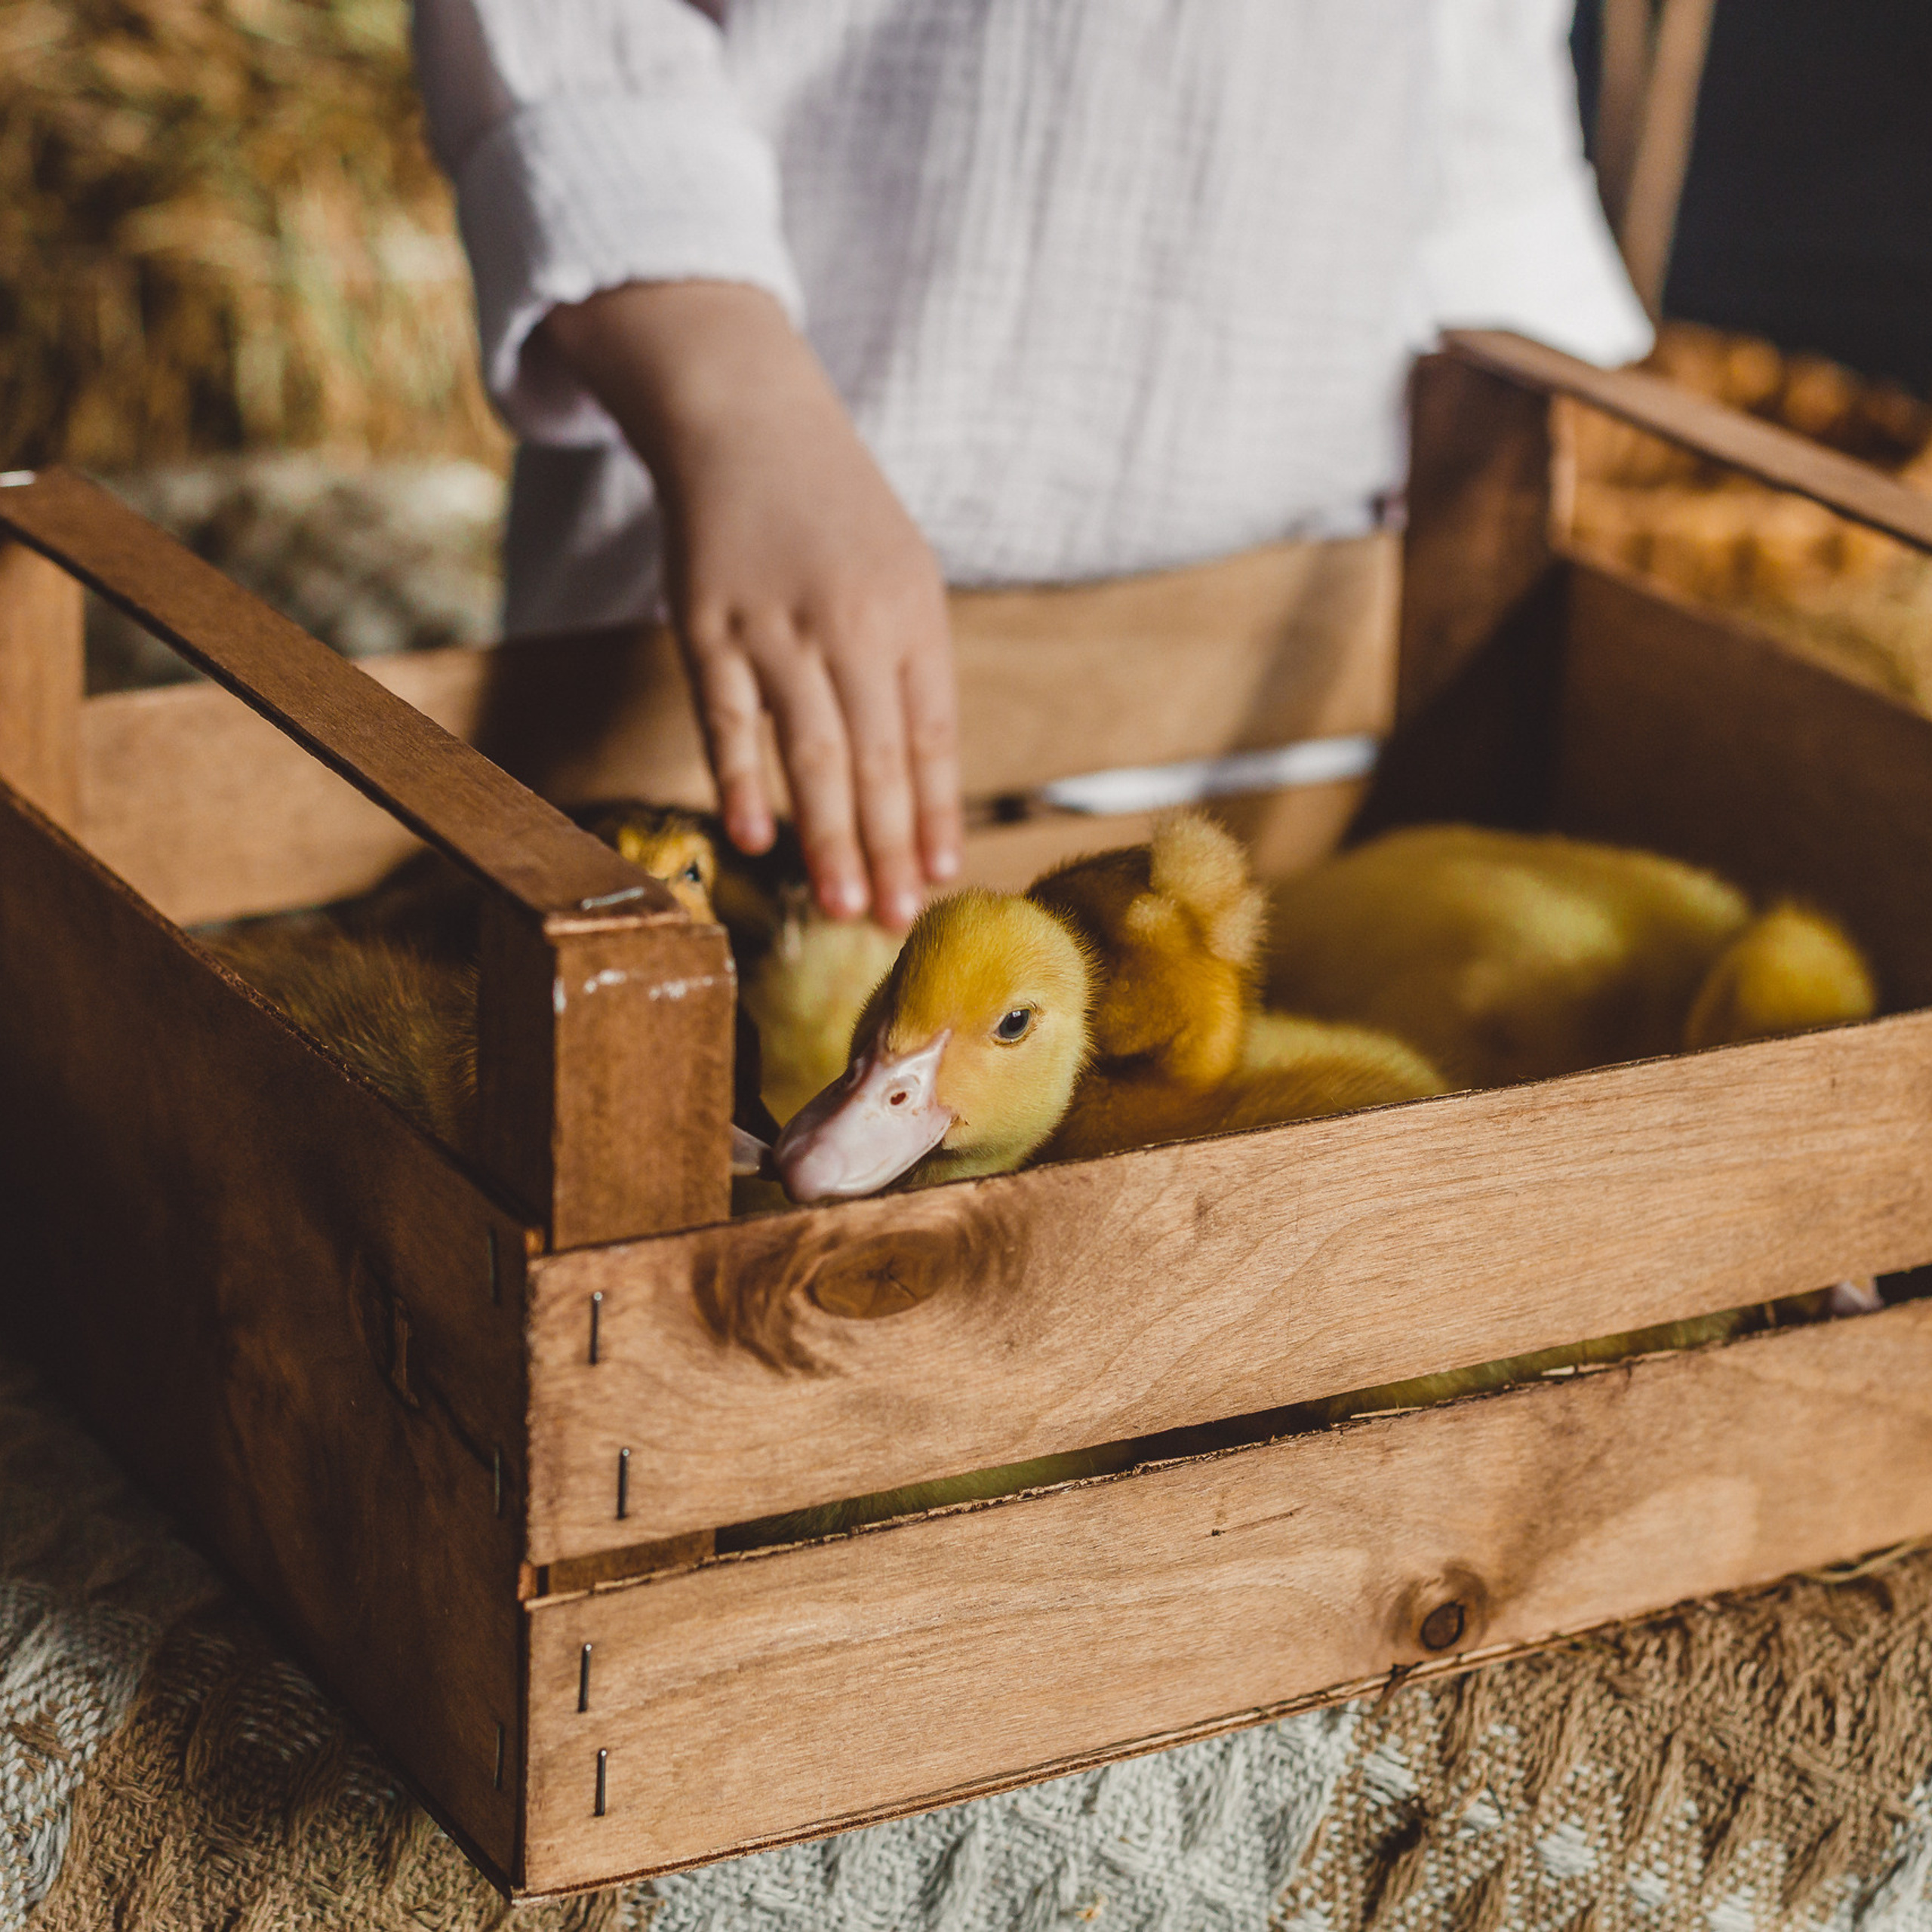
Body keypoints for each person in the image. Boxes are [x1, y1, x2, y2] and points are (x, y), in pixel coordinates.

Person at [413, 0, 1649, 931]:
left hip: (1295, 692)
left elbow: (1480, 78)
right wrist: (735, 393)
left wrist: (1521, 365)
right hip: (728, 671)